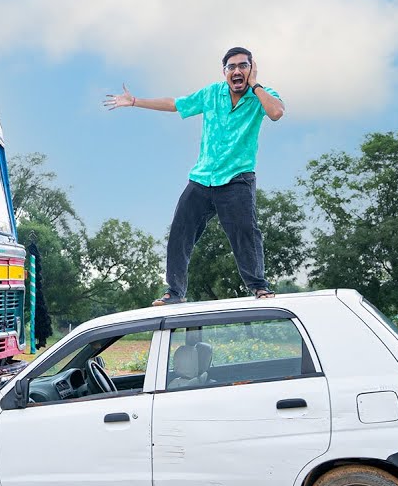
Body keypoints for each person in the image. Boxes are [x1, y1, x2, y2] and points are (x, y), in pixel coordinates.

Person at [104, 46, 285, 306]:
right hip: (203, 178)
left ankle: (259, 286)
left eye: (243, 66)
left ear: (251, 69)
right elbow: (175, 104)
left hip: (237, 180)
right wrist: (135, 102)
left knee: (246, 232)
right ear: (225, 72)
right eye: (231, 67)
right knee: (180, 232)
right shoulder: (212, 93)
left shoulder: (262, 96)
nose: (237, 71)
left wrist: (255, 84)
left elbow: (276, 113)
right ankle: (175, 292)